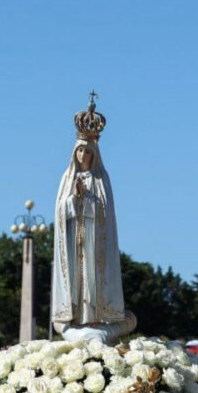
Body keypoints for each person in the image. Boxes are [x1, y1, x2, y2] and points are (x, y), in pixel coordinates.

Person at [51, 96, 134, 343]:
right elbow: (60, 211)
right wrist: (73, 200)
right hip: (74, 239)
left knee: (92, 276)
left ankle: (96, 316)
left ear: (93, 153)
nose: (83, 155)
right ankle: (75, 315)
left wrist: (86, 199)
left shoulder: (100, 179)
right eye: (80, 151)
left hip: (94, 239)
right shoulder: (66, 178)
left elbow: (105, 212)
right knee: (76, 277)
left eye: (87, 151)